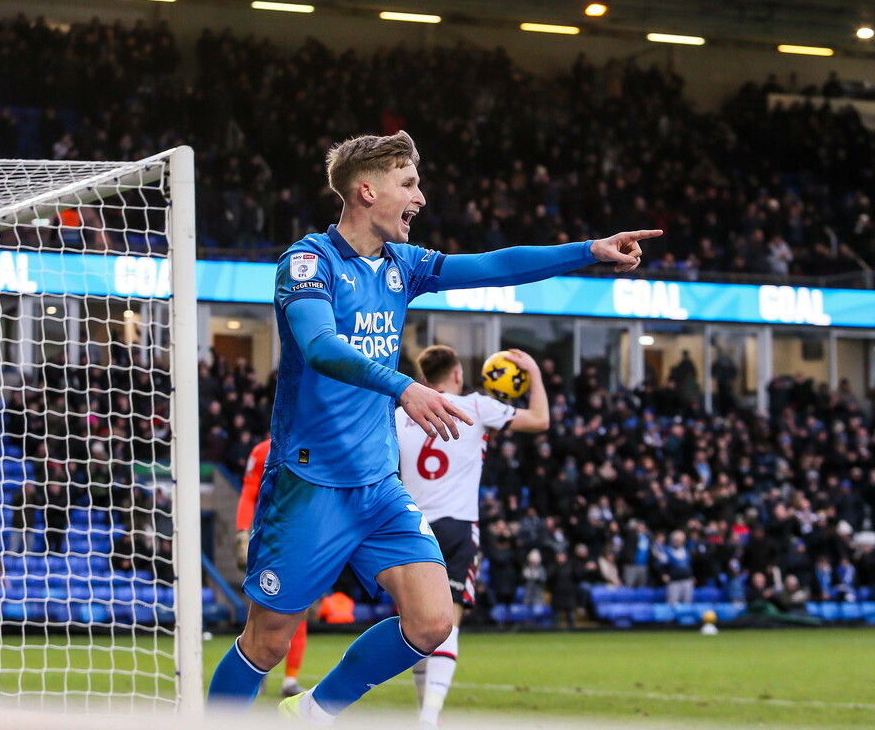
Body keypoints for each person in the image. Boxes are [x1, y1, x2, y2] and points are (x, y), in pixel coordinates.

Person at [206, 129, 661, 723]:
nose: (421, 198)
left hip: (378, 486)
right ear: (366, 191)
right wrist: (405, 385)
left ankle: (312, 713)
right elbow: (317, 345)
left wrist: (589, 252)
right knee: (266, 641)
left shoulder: (403, 265)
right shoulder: (307, 261)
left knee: (432, 622)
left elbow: (493, 266)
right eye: (409, 184)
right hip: (309, 485)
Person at [394, 344, 550, 729]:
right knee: (448, 621)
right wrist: (534, 373)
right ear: (459, 375)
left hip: (410, 528)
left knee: (416, 627)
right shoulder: (478, 406)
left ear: (424, 380)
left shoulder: (400, 414)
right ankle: (430, 717)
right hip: (458, 527)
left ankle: (423, 716)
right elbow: (540, 420)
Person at [234, 435, 308, 699]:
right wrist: (243, 532)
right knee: (261, 607)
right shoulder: (262, 450)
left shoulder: (313, 444)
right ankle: (256, 671)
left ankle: (289, 680)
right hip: (269, 540)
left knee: (300, 609)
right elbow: (248, 493)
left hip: (303, 540)